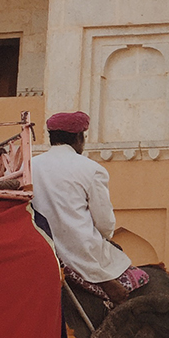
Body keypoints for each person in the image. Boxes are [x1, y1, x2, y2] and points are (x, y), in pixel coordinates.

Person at [31, 111, 149, 306]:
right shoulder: (92, 169)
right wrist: (106, 237)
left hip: (41, 249)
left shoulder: (29, 166)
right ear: (79, 138)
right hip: (80, 251)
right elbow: (104, 222)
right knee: (136, 280)